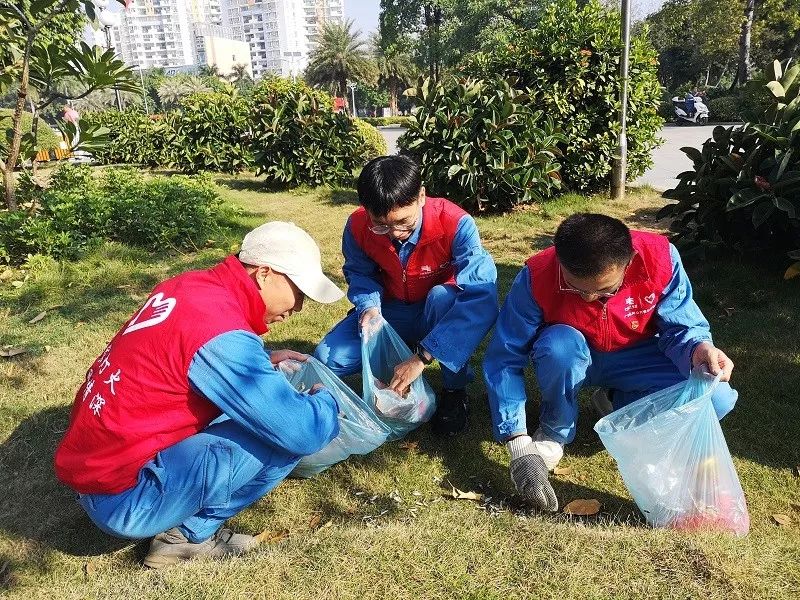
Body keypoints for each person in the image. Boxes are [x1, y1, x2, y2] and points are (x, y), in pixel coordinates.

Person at [54, 222, 345, 568]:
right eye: (299, 292)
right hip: (121, 499)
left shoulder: (188, 286)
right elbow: (302, 431)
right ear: (265, 273)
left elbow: (178, 360)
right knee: (284, 436)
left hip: (93, 469)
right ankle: (188, 537)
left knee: (258, 410)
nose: (298, 308)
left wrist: (262, 363)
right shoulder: (219, 332)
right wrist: (325, 401)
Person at [483, 213, 737, 512]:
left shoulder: (660, 258)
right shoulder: (538, 273)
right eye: (576, 289)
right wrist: (518, 443)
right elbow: (504, 358)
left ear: (629, 261)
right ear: (559, 260)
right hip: (573, 355)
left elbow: (680, 326)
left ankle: (619, 401)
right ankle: (555, 428)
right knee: (558, 346)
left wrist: (699, 349)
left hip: (639, 356)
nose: (589, 299)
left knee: (716, 398)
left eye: (604, 290)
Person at [314, 156, 498, 434]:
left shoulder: (455, 223)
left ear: (421, 196)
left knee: (443, 297)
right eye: (381, 225)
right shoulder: (357, 226)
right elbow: (360, 273)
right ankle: (355, 398)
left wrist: (423, 357)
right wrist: (369, 308)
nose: (395, 234)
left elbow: (480, 296)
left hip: (435, 311)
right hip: (389, 309)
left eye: (404, 223)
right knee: (328, 358)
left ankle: (454, 390)